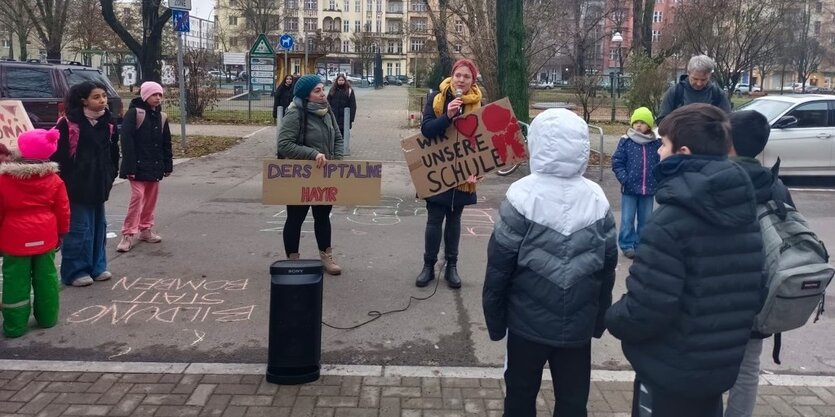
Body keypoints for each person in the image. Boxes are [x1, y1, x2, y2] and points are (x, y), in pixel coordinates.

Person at [605, 103, 765, 417]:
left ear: (684, 152)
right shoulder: (744, 209)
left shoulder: (670, 222)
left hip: (669, 374)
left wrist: (611, 317)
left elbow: (646, 309)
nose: (658, 153)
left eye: (663, 145)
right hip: (716, 370)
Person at [483, 109, 617, 417]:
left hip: (526, 325)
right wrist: (599, 321)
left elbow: (499, 267)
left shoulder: (522, 195)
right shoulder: (597, 199)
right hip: (578, 327)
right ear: (582, 146)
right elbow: (607, 268)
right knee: (572, 402)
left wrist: (495, 321)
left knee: (519, 397)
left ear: (538, 144)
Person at [724, 110, 795, 417]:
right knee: (748, 368)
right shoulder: (775, 183)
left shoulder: (719, 181)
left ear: (728, 142)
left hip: (721, 296)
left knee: (708, 367)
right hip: (762, 292)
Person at [414, 58, 482, 289]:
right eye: (458, 75)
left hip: (464, 175)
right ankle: (428, 266)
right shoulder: (436, 97)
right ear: (452, 76)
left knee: (454, 220)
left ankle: (451, 266)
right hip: (438, 170)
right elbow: (426, 130)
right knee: (434, 220)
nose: (461, 80)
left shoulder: (479, 104)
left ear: (473, 80)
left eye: (467, 76)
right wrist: (448, 117)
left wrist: (477, 171)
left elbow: (482, 143)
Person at [0, 129, 69, 337]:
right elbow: (63, 209)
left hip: (14, 237)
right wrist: (61, 232)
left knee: (14, 280)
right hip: (46, 234)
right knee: (46, 277)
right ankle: (48, 318)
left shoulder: (5, 180)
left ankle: (15, 326)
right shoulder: (54, 180)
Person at [52, 81, 120, 287]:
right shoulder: (68, 123)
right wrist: (64, 183)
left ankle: (97, 266)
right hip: (75, 186)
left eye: (104, 96)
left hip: (99, 183)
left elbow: (113, 153)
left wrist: (110, 175)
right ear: (84, 101)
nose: (102, 101)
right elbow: (58, 156)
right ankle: (75, 271)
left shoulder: (108, 122)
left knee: (99, 228)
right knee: (79, 229)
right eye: (96, 97)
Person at [276, 74, 344, 275]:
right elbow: (284, 144)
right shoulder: (295, 113)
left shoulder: (327, 110)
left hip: (324, 176)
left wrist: (336, 163)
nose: (323, 93)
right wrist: (313, 154)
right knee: (295, 218)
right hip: (301, 176)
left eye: (322, 89)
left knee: (323, 217)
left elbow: (338, 138)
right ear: (306, 95)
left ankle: (326, 257)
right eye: (317, 90)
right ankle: (293, 260)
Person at [116, 81, 174, 253]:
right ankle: (127, 234)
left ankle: (145, 228)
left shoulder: (162, 117)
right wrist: (130, 167)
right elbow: (126, 141)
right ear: (145, 95)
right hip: (137, 166)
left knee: (150, 198)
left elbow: (166, 143)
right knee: (138, 197)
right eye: (154, 94)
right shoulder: (135, 114)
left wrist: (167, 164)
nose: (158, 98)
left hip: (154, 165)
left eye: (160, 95)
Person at [611, 107, 661, 259]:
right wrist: (624, 178)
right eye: (636, 122)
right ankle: (627, 244)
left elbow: (660, 162)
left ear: (649, 125)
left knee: (645, 219)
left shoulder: (656, 143)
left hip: (649, 188)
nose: (639, 125)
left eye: (643, 122)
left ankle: (642, 244)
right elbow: (617, 161)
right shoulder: (626, 141)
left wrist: (658, 179)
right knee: (627, 219)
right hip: (630, 188)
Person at [656, 55, 732, 123]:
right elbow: (662, 121)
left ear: (710, 75)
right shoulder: (675, 92)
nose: (699, 83)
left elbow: (728, 122)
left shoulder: (717, 94)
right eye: (695, 79)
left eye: (704, 80)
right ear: (688, 73)